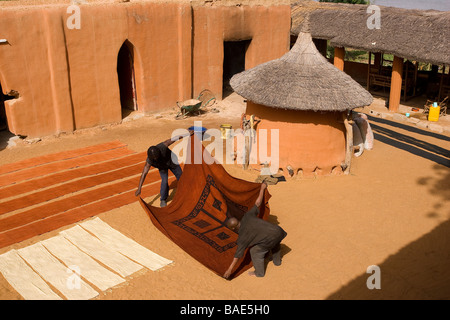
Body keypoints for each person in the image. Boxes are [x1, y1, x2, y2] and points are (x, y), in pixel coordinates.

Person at [223, 182, 287, 279]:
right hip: (278, 231)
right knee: (274, 239)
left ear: (233, 228)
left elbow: (237, 256)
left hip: (271, 237)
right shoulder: (247, 216)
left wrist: (229, 269)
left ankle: (259, 273)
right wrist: (262, 188)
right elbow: (257, 203)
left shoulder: (242, 237)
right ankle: (277, 261)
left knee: (254, 251)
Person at [135, 130, 193, 207]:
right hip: (162, 167)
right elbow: (144, 173)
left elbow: (174, 139)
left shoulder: (162, 146)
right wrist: (139, 188)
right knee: (164, 181)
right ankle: (163, 199)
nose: (155, 159)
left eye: (157, 157)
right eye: (154, 159)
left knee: (181, 177)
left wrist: (187, 133)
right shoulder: (149, 160)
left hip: (172, 161)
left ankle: (188, 193)